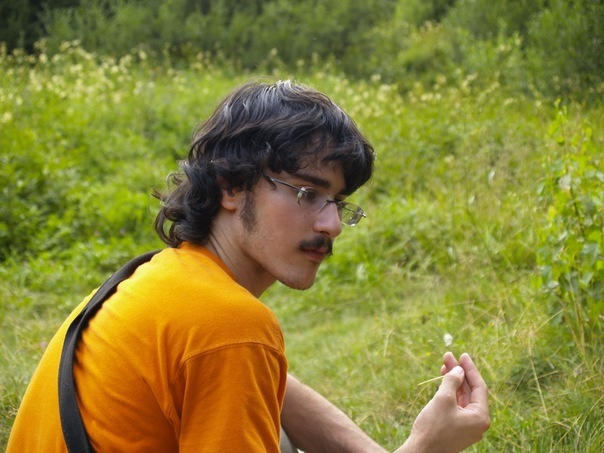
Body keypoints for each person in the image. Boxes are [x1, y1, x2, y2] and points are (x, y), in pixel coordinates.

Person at [7, 80, 489, 452]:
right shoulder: (229, 327)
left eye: (338, 203)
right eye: (307, 193)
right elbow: (240, 351)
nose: (332, 225)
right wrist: (425, 448)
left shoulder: (159, 281)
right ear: (231, 187)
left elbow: (277, 388)